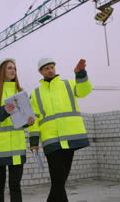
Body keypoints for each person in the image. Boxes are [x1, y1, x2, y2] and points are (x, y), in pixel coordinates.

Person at [29, 58, 92, 202]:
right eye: (46, 68)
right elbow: (34, 119)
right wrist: (33, 140)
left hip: (70, 137)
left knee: (59, 181)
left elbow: (84, 91)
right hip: (51, 140)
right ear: (40, 72)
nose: (50, 70)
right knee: (58, 180)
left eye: (52, 67)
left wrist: (80, 73)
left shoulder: (68, 84)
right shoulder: (36, 93)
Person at [0, 58, 35, 202]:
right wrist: (3, 111)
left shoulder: (20, 93)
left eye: (14, 68)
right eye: (10, 68)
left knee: (15, 185)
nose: (13, 71)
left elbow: (21, 122)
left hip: (17, 147)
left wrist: (28, 122)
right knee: (0, 186)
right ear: (1, 71)